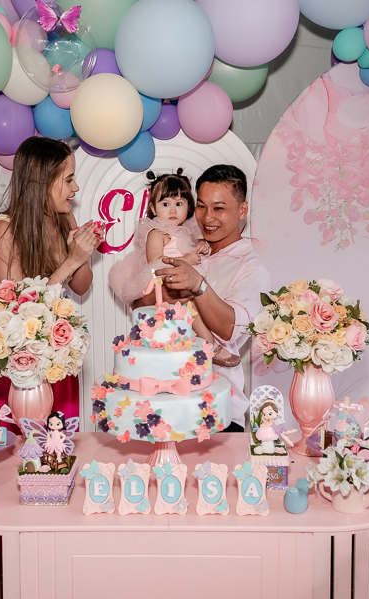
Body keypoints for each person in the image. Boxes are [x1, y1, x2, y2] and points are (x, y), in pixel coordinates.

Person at [0, 137, 102, 427]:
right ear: (44, 181)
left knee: (60, 442)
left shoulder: (64, 217)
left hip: (56, 355)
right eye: (69, 179)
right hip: (19, 365)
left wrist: (82, 254)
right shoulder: (4, 229)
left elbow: (81, 286)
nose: (76, 188)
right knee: (20, 445)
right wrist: (71, 260)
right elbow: (18, 308)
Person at [149, 164, 271, 431]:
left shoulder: (251, 267)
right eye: (202, 206)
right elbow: (144, 302)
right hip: (165, 404)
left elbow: (231, 329)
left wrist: (197, 285)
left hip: (216, 412)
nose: (207, 217)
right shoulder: (188, 248)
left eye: (219, 208)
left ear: (242, 210)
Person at [108, 169, 212, 340]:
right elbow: (155, 261)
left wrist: (202, 245)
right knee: (192, 304)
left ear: (188, 206)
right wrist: (186, 260)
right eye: (165, 204)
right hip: (163, 280)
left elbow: (192, 248)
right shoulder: (157, 233)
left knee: (200, 302)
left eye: (179, 204)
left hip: (183, 278)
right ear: (153, 208)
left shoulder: (187, 231)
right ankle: (210, 342)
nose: (173, 210)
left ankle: (201, 340)